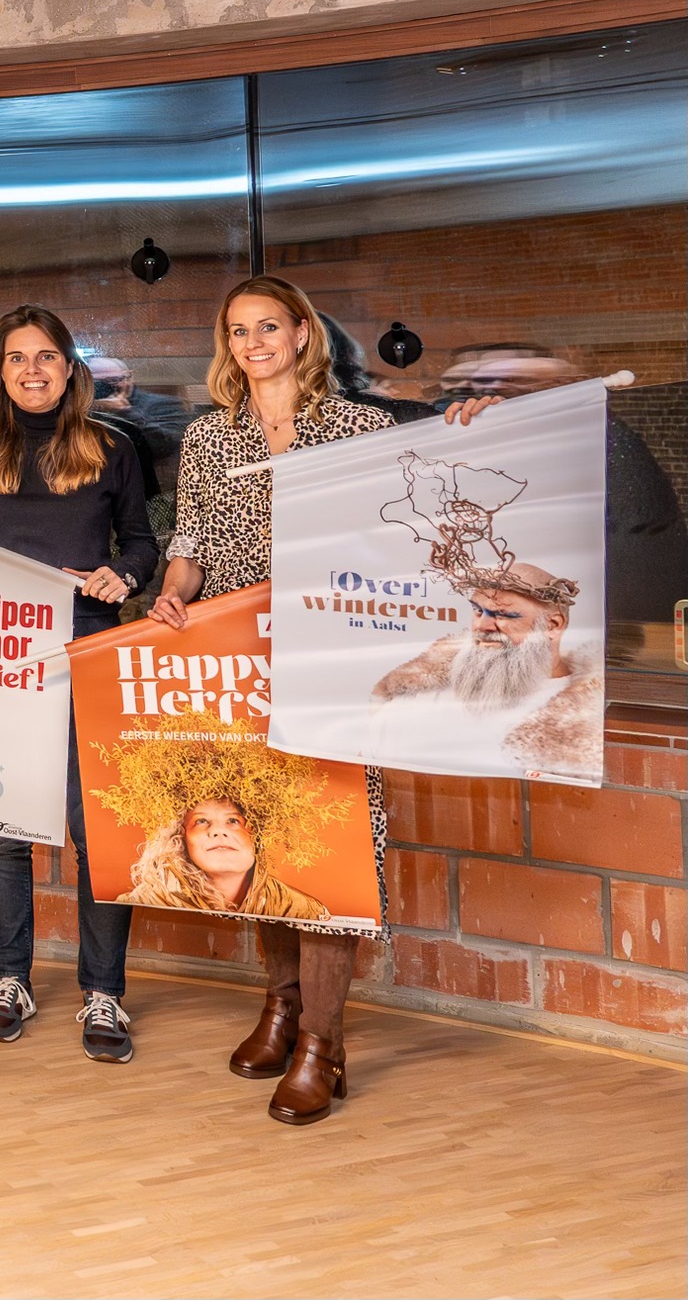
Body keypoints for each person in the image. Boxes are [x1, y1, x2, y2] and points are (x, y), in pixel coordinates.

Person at [149, 275, 496, 1125]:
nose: (255, 343)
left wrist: (470, 429)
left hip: (336, 663)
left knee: (326, 848)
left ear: (303, 334)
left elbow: (426, 509)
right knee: (264, 836)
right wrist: (171, 593)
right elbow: (190, 544)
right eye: (239, 331)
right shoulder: (206, 437)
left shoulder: (363, 427)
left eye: (271, 327)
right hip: (240, 666)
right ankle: (281, 1008)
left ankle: (323, 1045)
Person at [0, 305, 159, 1064]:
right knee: (2, 825)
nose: (32, 371)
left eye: (46, 357)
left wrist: (122, 574)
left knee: (96, 826)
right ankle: (11, 980)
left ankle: (104, 992)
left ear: (70, 368)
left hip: (87, 645)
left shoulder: (113, 447)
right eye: (16, 359)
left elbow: (141, 541)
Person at [370, 563, 602, 781]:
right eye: (478, 611)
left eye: (504, 615)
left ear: (552, 626)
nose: (482, 626)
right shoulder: (414, 702)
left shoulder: (588, 718)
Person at [117, 798, 332, 922]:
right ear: (181, 836)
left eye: (233, 821)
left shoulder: (302, 908)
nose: (219, 831)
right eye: (201, 821)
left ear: (256, 833)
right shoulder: (146, 899)